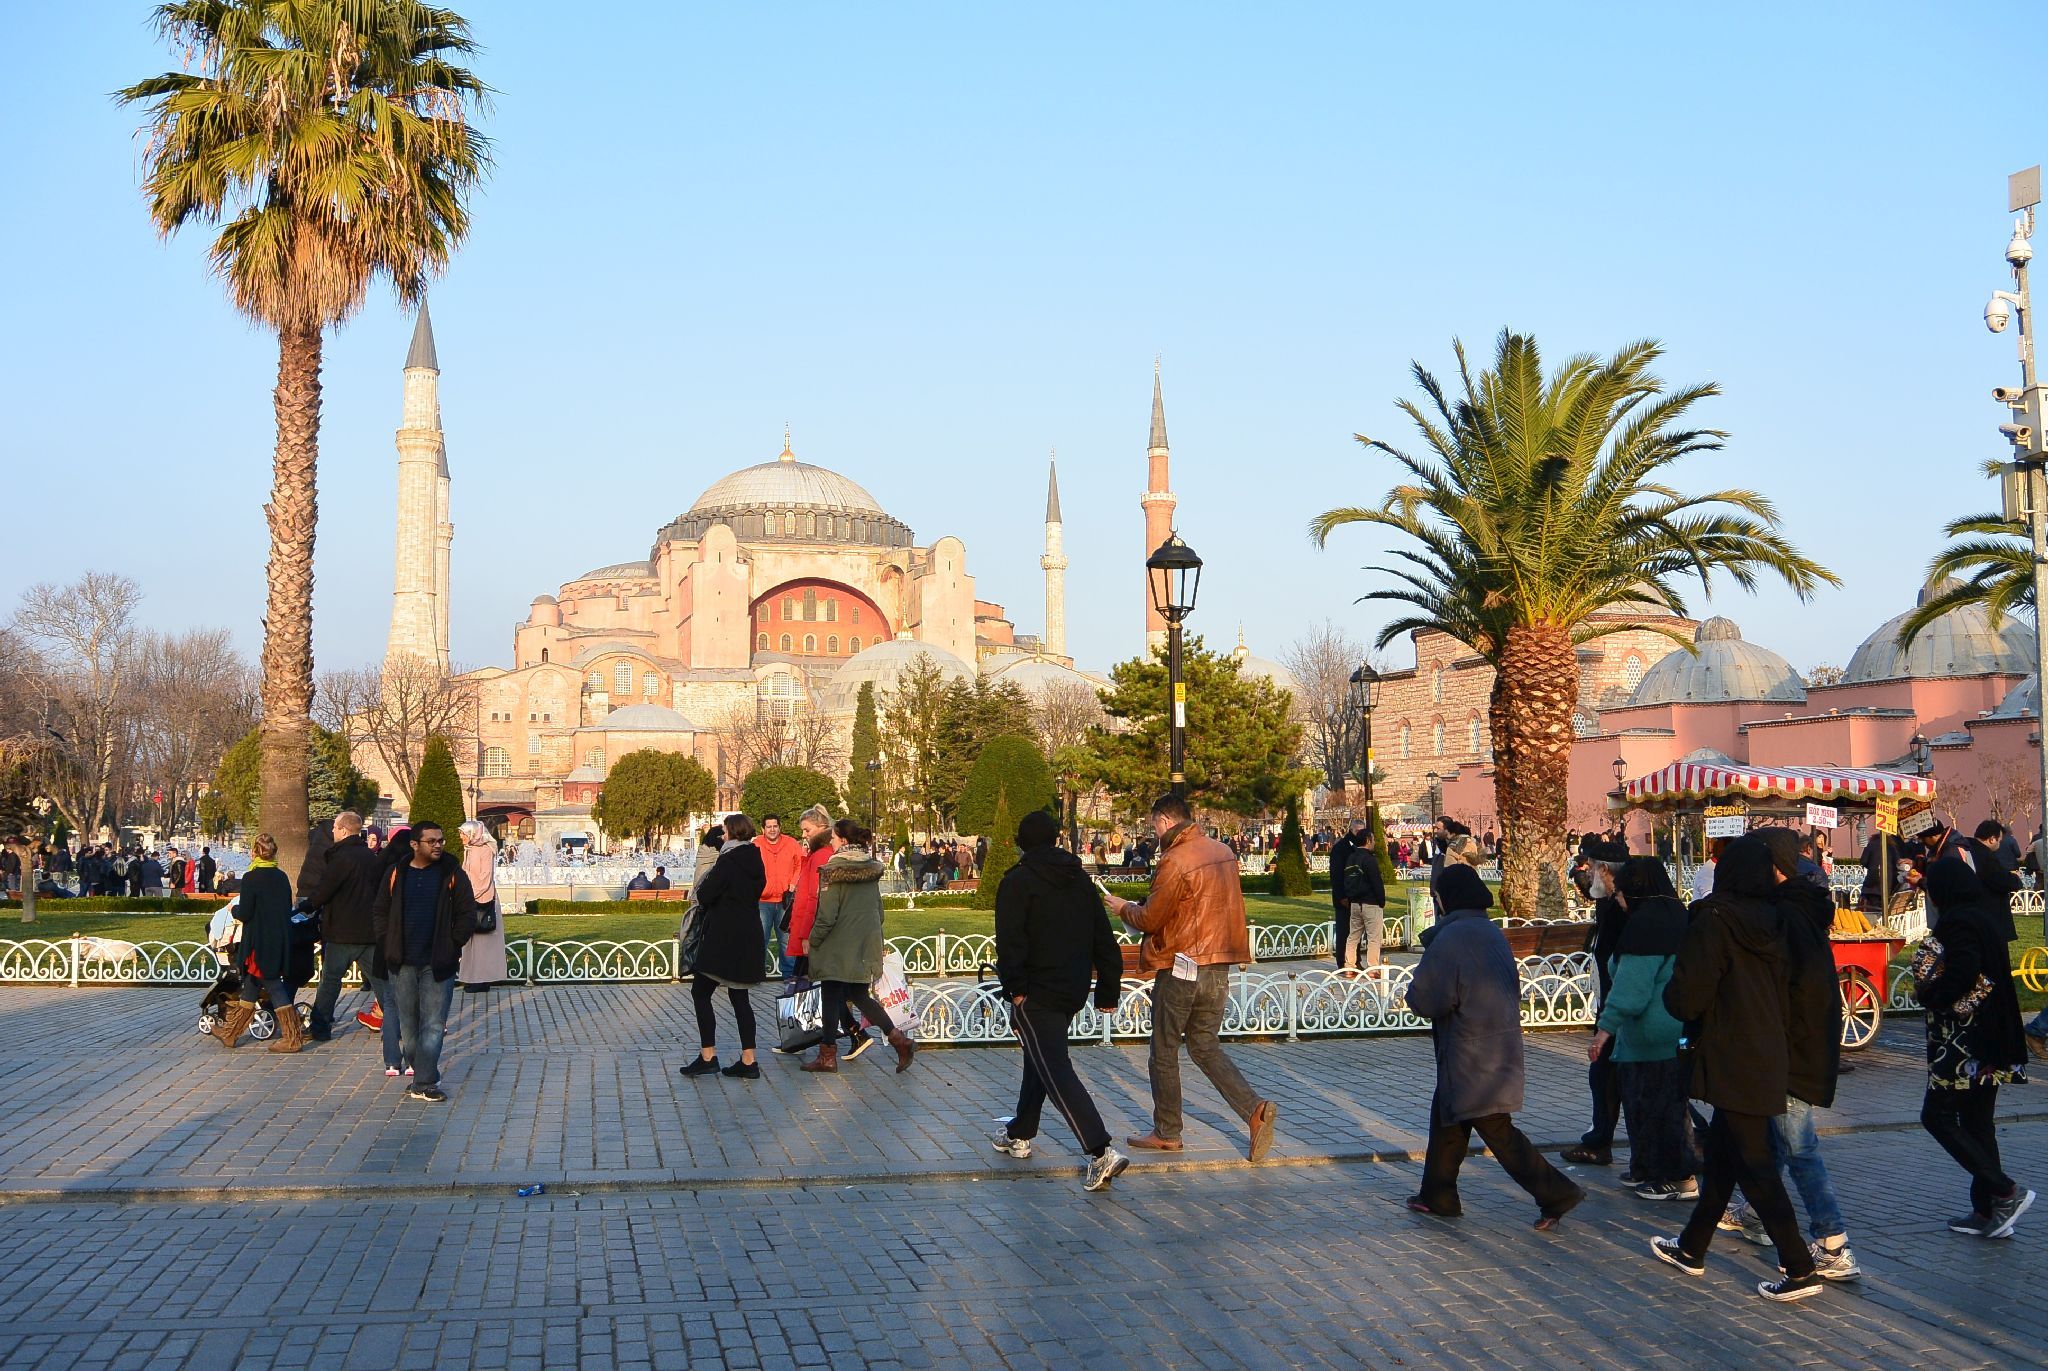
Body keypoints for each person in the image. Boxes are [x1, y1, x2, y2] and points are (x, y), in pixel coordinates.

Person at [1650, 835, 1822, 1302]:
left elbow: (1689, 994)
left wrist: (1674, 996)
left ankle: (1799, 1265)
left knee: (1756, 1164)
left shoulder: (1716, 920)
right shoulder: (1775, 919)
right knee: (1726, 1155)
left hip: (1731, 1054)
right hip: (1767, 1050)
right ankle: (1692, 1246)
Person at [1406, 863, 1585, 1229]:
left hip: (1471, 1052)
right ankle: (1438, 1194)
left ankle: (1556, 1191)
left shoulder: (1451, 939)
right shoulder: (1490, 931)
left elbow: (1428, 999)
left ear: (1445, 900)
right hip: (1496, 1044)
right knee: (1448, 1115)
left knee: (1496, 1129)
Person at [1102, 793, 1278, 1162]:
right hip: (1220, 962)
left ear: (1165, 821)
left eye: (1154, 826)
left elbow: (1151, 919)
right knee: (1204, 1044)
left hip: (1182, 964)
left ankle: (1168, 1132)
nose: (1155, 832)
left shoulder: (1175, 859)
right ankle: (1253, 1110)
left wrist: (1123, 907)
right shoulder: (1223, 851)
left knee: (1163, 1048)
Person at [1716, 829, 1858, 1280]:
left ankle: (1832, 1241)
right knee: (1776, 1136)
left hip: (1789, 1045)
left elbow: (1791, 988)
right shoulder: (1800, 909)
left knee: (1799, 1143)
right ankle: (1756, 1211)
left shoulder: (1786, 917)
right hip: (1796, 1041)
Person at [991, 808, 1130, 1190]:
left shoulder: (1018, 882)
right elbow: (1104, 937)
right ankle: (1020, 1131)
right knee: (1040, 1059)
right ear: (1054, 839)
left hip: (1036, 992)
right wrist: (1107, 989)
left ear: (1022, 843)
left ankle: (1100, 1150)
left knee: (1054, 1067)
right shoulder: (1080, 880)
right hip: (1071, 988)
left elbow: (1011, 941)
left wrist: (1016, 990)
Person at [1914, 858, 2034, 1239]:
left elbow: (1965, 970)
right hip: (1991, 1039)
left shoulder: (1958, 922)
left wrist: (1934, 995)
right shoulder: (1982, 916)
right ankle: (1989, 1212)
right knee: (1978, 1123)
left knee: (1937, 1117)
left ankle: (2003, 1191)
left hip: (1964, 1044)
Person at [1592, 858, 1699, 1202]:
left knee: (1653, 1108)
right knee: (1667, 1105)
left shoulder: (1645, 926)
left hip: (1650, 1033)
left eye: (1621, 894)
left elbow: (1631, 989)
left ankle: (1673, 1176)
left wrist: (1604, 1029)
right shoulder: (1676, 914)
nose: (1619, 901)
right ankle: (1647, 1167)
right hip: (1676, 1028)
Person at [370, 820, 478, 1103]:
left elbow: (468, 913)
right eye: (431, 841)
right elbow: (380, 910)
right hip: (402, 961)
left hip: (437, 962)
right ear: (414, 845)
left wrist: (453, 944)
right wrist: (387, 941)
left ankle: (425, 1081)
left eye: (440, 840)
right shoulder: (397, 872)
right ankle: (422, 1072)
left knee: (433, 1023)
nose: (438, 845)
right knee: (408, 1025)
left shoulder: (452, 873)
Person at [801, 819, 916, 1074]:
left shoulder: (833, 870)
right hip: (864, 944)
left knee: (830, 995)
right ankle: (899, 1039)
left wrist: (815, 940)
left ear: (842, 840)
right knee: (859, 994)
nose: (830, 841)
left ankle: (827, 1055)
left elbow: (827, 915)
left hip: (836, 946)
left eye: (833, 838)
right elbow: (879, 911)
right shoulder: (869, 869)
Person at [297, 810, 396, 1062]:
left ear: (342, 830)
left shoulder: (340, 858)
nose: (332, 833)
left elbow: (324, 891)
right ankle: (399, 1024)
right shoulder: (371, 858)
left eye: (334, 829)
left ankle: (320, 1028)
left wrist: (307, 906)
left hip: (342, 931)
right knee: (380, 982)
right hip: (369, 932)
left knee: (330, 981)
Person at [682, 814, 768, 1080]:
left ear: (731, 833)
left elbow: (705, 894)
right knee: (739, 997)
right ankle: (748, 1058)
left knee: (701, 991)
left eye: (724, 831)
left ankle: (708, 1055)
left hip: (723, 938)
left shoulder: (727, 861)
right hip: (749, 935)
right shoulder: (755, 859)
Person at [1564, 837, 1631, 1168]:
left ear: (1604, 870)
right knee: (1607, 1076)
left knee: (1632, 1079)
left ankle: (1696, 1137)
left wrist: (1610, 1016)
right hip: (1611, 1005)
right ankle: (1599, 1139)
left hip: (1621, 1009)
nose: (1587, 874)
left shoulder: (1622, 905)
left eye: (1591, 868)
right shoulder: (1607, 903)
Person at [210, 832, 305, 1052]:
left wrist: (233, 910)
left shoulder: (252, 878)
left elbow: (246, 913)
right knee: (251, 985)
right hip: (278, 938)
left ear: (254, 852)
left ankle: (292, 1038)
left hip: (259, 941)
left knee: (272, 983)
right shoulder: (281, 877)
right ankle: (230, 1033)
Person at [784, 806, 866, 1059]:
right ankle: (847, 1034)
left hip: (814, 930)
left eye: (807, 830)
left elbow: (814, 898)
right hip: (812, 928)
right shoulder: (817, 853)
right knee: (825, 987)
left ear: (821, 828)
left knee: (817, 985)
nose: (804, 835)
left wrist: (807, 935)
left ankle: (805, 1038)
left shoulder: (821, 856)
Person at [457, 821, 507, 995]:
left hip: (483, 900)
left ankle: (483, 979)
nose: (461, 837)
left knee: (483, 942)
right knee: (471, 943)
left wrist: (471, 896)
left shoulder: (485, 850)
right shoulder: (470, 850)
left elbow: (485, 878)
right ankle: (473, 977)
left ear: (473, 834)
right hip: (471, 899)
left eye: (464, 833)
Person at [754, 815, 803, 976]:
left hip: (785, 901)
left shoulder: (791, 843)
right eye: (769, 827)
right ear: (763, 829)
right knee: (760, 939)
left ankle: (789, 975)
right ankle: (757, 972)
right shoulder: (756, 844)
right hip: (762, 901)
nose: (772, 829)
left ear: (780, 827)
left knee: (786, 940)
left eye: (775, 826)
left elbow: (800, 865)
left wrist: (793, 884)